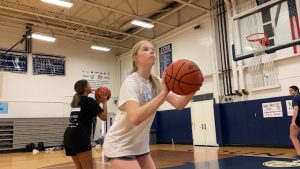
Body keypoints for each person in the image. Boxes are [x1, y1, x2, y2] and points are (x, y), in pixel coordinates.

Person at [103, 40, 198, 169]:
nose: (151, 51)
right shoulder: (131, 83)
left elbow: (179, 104)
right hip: (119, 144)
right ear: (135, 58)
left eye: (152, 49)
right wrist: (163, 93)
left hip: (139, 146)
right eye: (145, 49)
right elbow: (135, 118)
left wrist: (193, 87)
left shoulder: (157, 82)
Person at [64, 80, 108, 169]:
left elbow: (88, 110)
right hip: (80, 136)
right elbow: (104, 117)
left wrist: (97, 103)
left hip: (68, 136)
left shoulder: (76, 101)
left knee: (79, 167)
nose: (91, 86)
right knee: (88, 167)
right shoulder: (89, 100)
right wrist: (104, 102)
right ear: (85, 87)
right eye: (89, 84)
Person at [289, 85, 300, 162]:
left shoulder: (295, 98)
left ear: (296, 91)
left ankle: (299, 154)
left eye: (291, 90)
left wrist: (293, 121)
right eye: (289, 90)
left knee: (292, 136)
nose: (290, 92)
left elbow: (296, 110)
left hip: (298, 119)